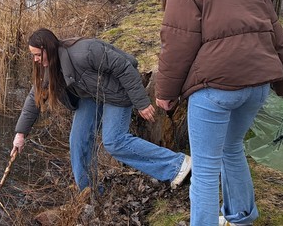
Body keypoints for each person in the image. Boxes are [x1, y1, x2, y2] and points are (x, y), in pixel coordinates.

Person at [154, 0, 283, 226]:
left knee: (206, 170)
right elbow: (277, 34)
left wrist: (165, 94)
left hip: (216, 89)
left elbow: (177, 46)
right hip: (257, 85)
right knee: (232, 146)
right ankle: (241, 216)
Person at [11, 28, 192, 193]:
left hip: (117, 90)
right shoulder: (50, 66)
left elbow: (124, 68)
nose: (35, 59)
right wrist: (20, 134)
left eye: (36, 54)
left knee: (114, 141)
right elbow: (33, 99)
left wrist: (141, 103)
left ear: (48, 48)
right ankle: (90, 191)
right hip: (92, 94)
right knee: (78, 140)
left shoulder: (85, 52)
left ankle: (177, 165)